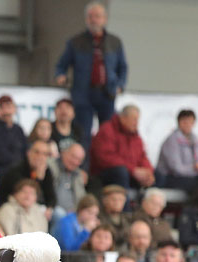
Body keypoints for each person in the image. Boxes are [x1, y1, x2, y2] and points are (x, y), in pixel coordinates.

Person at [54, 2, 128, 147]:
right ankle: (84, 167)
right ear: (86, 19)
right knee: (83, 134)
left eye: (97, 16)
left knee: (107, 135)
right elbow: (61, 65)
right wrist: (60, 76)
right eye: (91, 17)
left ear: (105, 19)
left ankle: (104, 168)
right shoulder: (75, 42)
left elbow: (123, 67)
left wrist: (120, 85)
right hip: (83, 94)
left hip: (107, 93)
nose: (94, 20)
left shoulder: (115, 42)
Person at [90, 104, 155, 190]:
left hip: (129, 173)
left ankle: (150, 202)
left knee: (156, 175)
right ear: (123, 118)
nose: (136, 123)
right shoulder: (107, 130)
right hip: (106, 174)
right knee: (121, 172)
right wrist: (133, 170)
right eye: (134, 119)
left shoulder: (136, 137)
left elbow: (142, 157)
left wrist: (148, 171)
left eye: (138, 120)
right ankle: (124, 202)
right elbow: (106, 158)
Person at [156, 109, 198, 191]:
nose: (189, 125)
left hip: (189, 176)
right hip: (170, 178)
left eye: (191, 122)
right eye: (186, 122)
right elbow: (176, 169)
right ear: (179, 122)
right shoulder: (172, 140)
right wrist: (196, 169)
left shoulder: (194, 139)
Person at [0, 140, 56, 208]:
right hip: (14, 207)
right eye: (37, 152)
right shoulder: (16, 169)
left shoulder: (46, 170)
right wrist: (38, 179)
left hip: (38, 209)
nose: (40, 156)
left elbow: (51, 196)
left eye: (44, 154)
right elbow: (26, 197)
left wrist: (50, 208)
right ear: (28, 153)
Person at [49, 141, 87, 214]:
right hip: (53, 211)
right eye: (73, 157)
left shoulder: (78, 174)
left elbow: (82, 198)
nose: (75, 162)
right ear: (64, 153)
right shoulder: (51, 166)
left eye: (79, 160)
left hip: (73, 215)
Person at [97, 184, 131, 249]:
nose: (117, 203)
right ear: (105, 201)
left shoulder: (128, 219)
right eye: (114, 200)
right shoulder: (98, 219)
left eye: (121, 200)